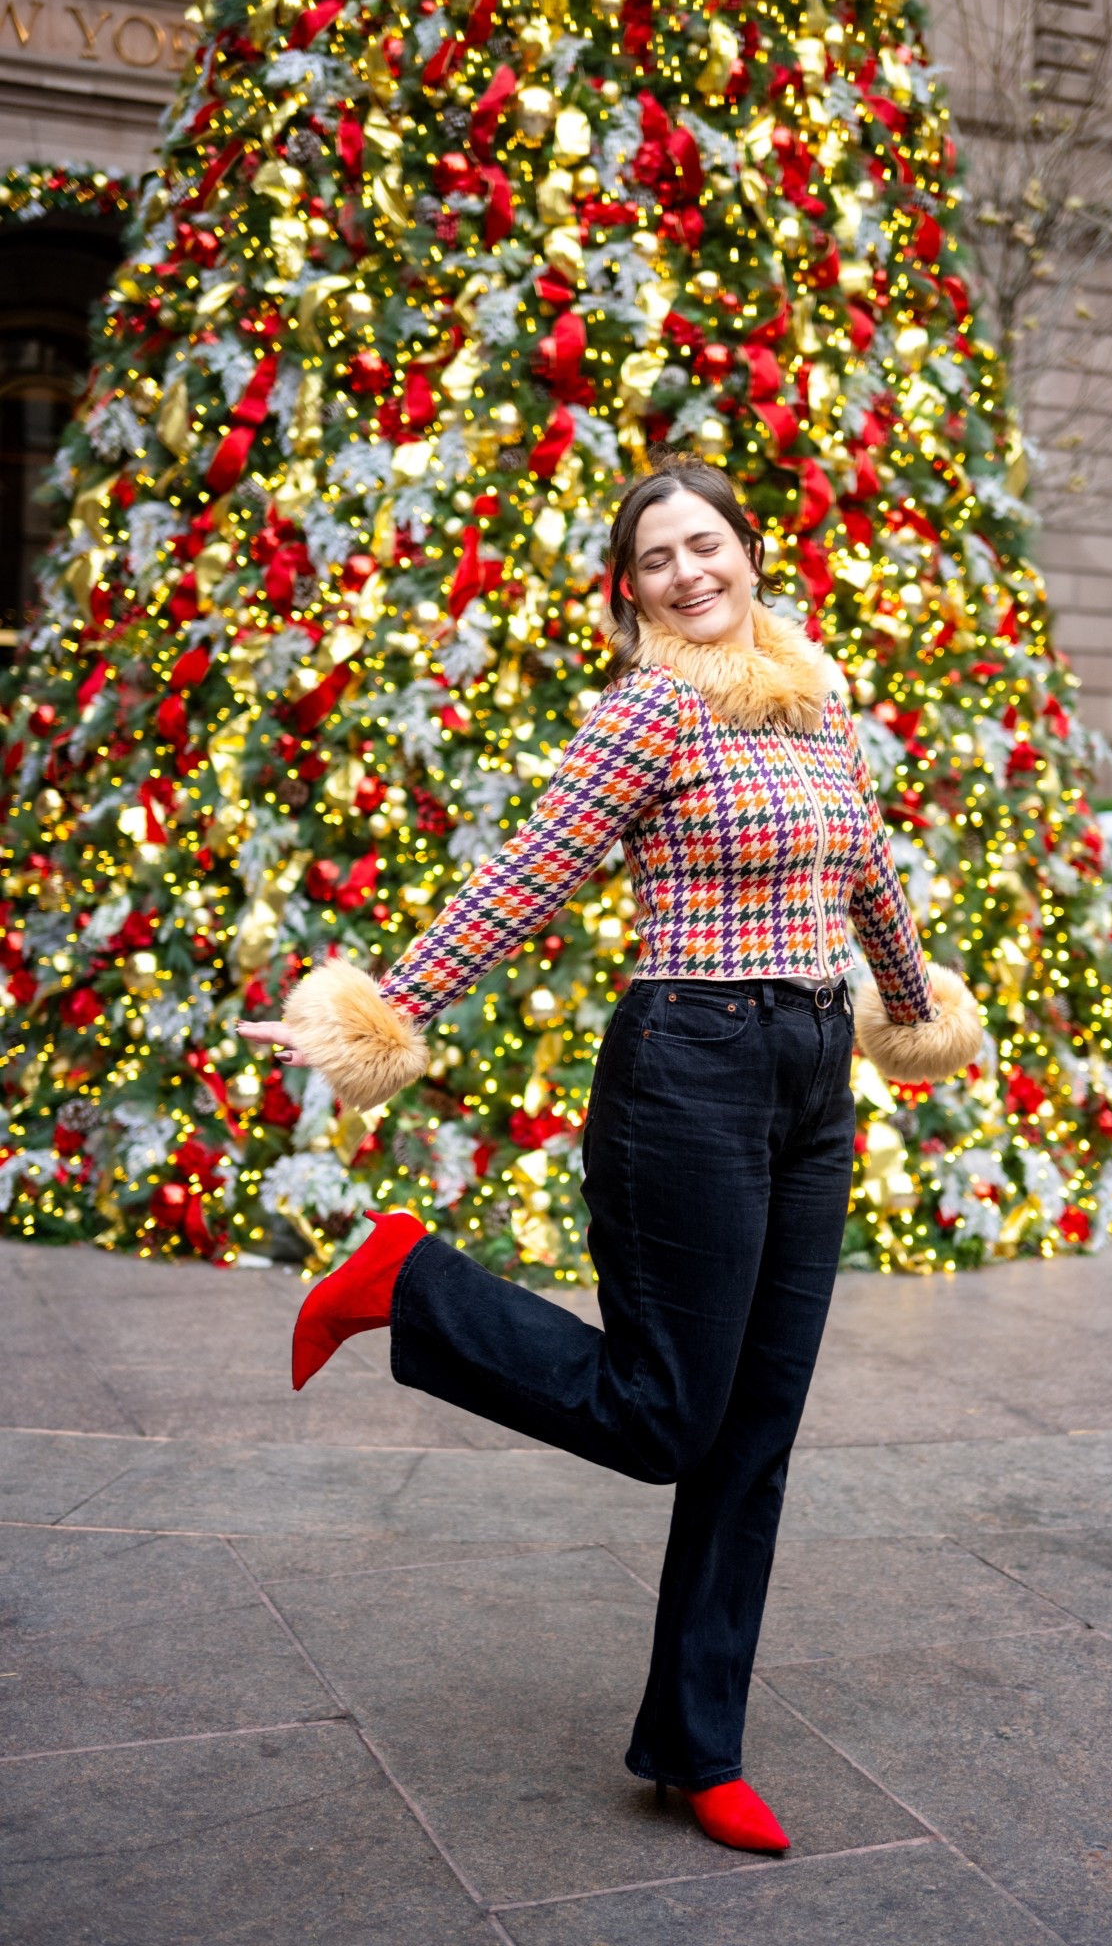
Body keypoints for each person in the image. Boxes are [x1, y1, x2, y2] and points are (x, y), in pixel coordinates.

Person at [239, 457, 981, 1856]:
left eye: (706, 544)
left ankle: (698, 1750)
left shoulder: (820, 704)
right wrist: (386, 1012)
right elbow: (526, 873)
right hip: (686, 1070)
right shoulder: (646, 711)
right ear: (629, 589)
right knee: (664, 1418)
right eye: (657, 559)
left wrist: (916, 1004)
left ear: (747, 553)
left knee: (752, 1436)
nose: (689, 573)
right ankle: (408, 1283)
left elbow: (868, 868)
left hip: (812, 1076)